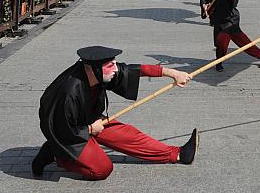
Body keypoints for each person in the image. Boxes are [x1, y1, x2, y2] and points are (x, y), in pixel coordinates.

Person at [31, 46, 198, 180]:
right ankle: (54, 154)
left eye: (114, 64)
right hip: (65, 133)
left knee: (128, 135)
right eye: (111, 65)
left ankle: (178, 154)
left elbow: (135, 70)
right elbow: (60, 128)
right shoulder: (68, 93)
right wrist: (89, 130)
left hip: (89, 119)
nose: (115, 69)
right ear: (93, 68)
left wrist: (173, 73)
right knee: (102, 169)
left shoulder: (98, 73)